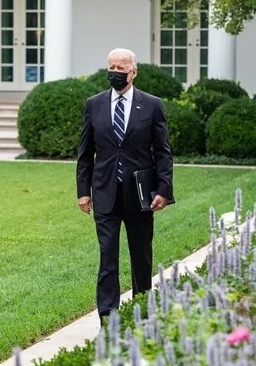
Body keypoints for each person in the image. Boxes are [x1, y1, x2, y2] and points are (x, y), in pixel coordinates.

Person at [76, 48, 175, 324]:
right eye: (112, 67)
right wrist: (83, 191)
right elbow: (85, 153)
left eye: (121, 68)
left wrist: (164, 189)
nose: (115, 73)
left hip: (140, 194)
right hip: (105, 192)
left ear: (133, 72)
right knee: (107, 258)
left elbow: (163, 152)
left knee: (141, 256)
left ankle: (143, 311)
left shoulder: (152, 105)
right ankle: (108, 317)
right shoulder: (94, 104)